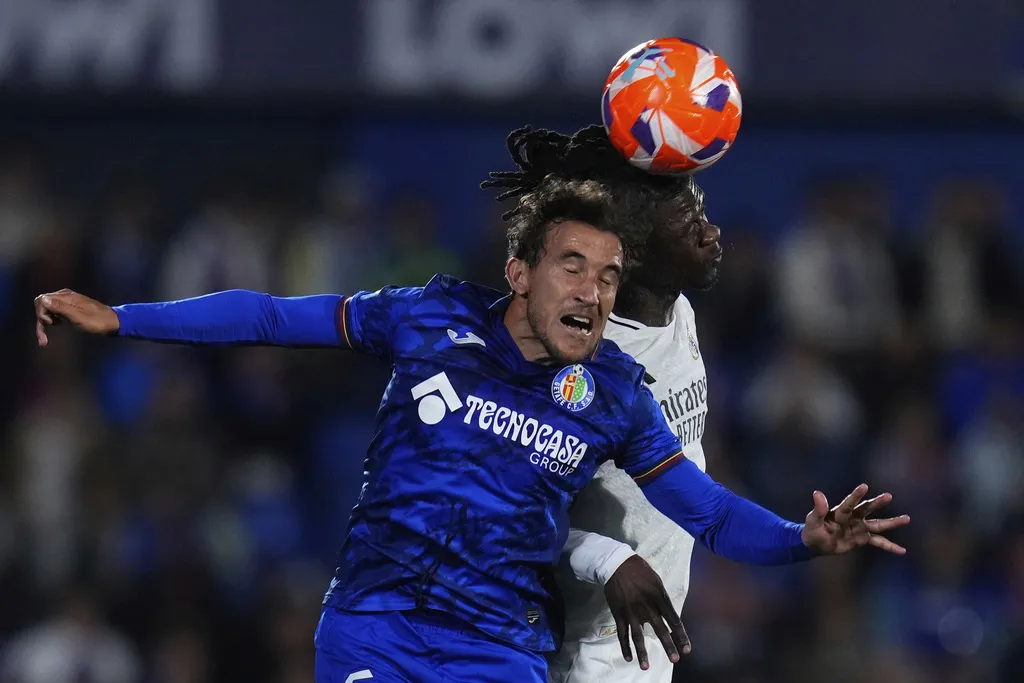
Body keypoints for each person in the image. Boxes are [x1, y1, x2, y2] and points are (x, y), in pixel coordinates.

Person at [34, 129, 909, 683]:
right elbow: (269, 314)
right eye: (573, 267)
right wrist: (122, 317)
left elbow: (709, 514)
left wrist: (805, 540)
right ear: (520, 272)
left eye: (608, 277)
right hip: (377, 624)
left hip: (500, 652)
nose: (594, 293)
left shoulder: (614, 391)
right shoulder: (430, 317)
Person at [509, 125, 745, 682]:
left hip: (642, 642)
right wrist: (608, 558)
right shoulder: (576, 365)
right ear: (633, 252)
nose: (713, 232)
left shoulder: (678, 311)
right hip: (578, 648)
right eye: (689, 226)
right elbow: (503, 509)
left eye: (703, 211)